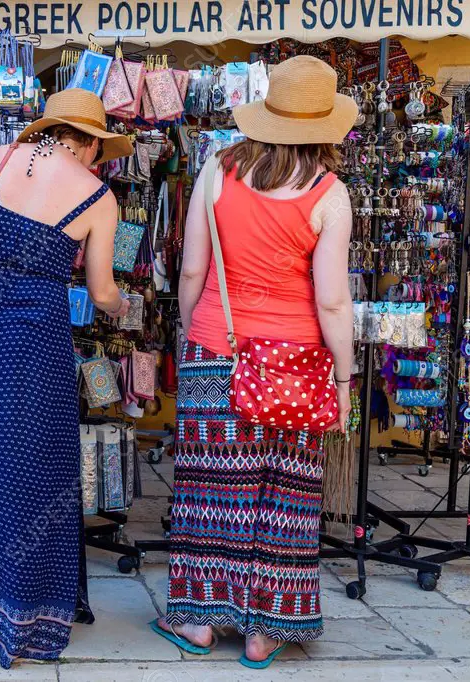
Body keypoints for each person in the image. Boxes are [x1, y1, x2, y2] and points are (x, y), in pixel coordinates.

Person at [153, 56, 357, 668]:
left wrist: (196, 331)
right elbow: (332, 299)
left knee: (211, 490)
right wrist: (344, 379)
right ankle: (266, 630)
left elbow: (192, 268)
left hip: (218, 351)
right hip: (297, 363)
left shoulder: (217, 170)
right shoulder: (330, 193)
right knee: (285, 495)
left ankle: (198, 621)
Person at [0, 88, 134, 668]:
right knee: (36, 473)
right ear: (93, 144)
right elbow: (101, 292)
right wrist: (125, 308)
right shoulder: (98, 197)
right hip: (33, 345)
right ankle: (29, 617)